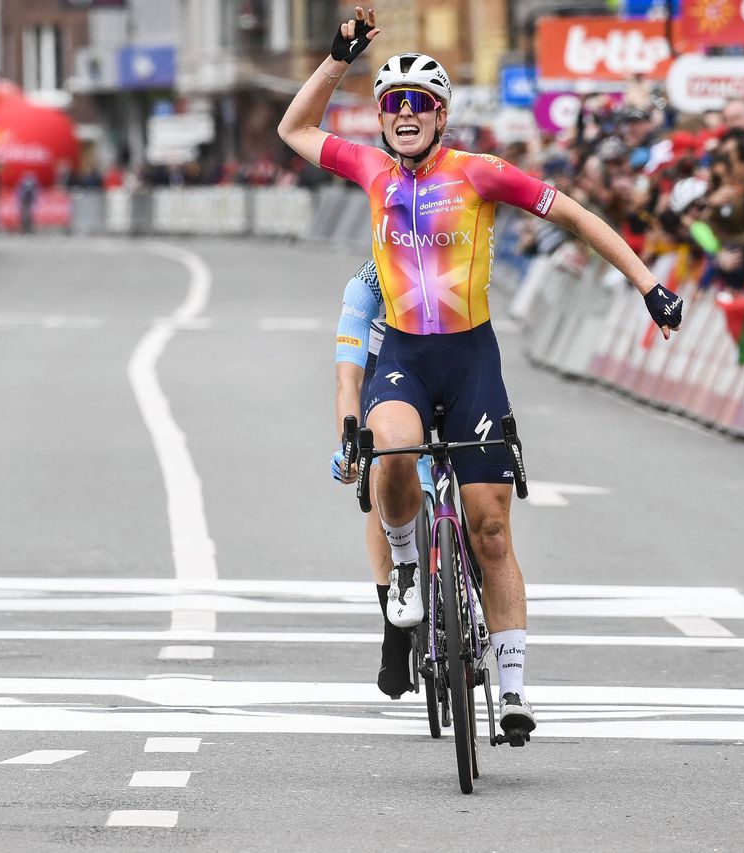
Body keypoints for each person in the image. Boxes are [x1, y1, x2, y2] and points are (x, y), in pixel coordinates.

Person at [278, 6, 683, 739]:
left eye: (419, 104)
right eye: (393, 105)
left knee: (491, 528)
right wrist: (338, 59)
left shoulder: (481, 174)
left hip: (471, 361)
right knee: (392, 455)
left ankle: (516, 684)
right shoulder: (369, 168)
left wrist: (647, 282)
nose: (404, 115)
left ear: (440, 115)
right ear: (382, 117)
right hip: (403, 356)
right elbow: (296, 130)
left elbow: (580, 219)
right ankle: (405, 567)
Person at [330, 258, 417, 700]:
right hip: (382, 376)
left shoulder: (454, 259)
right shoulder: (365, 285)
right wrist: (350, 442)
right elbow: (349, 376)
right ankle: (394, 630)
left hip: (443, 370)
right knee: (381, 470)